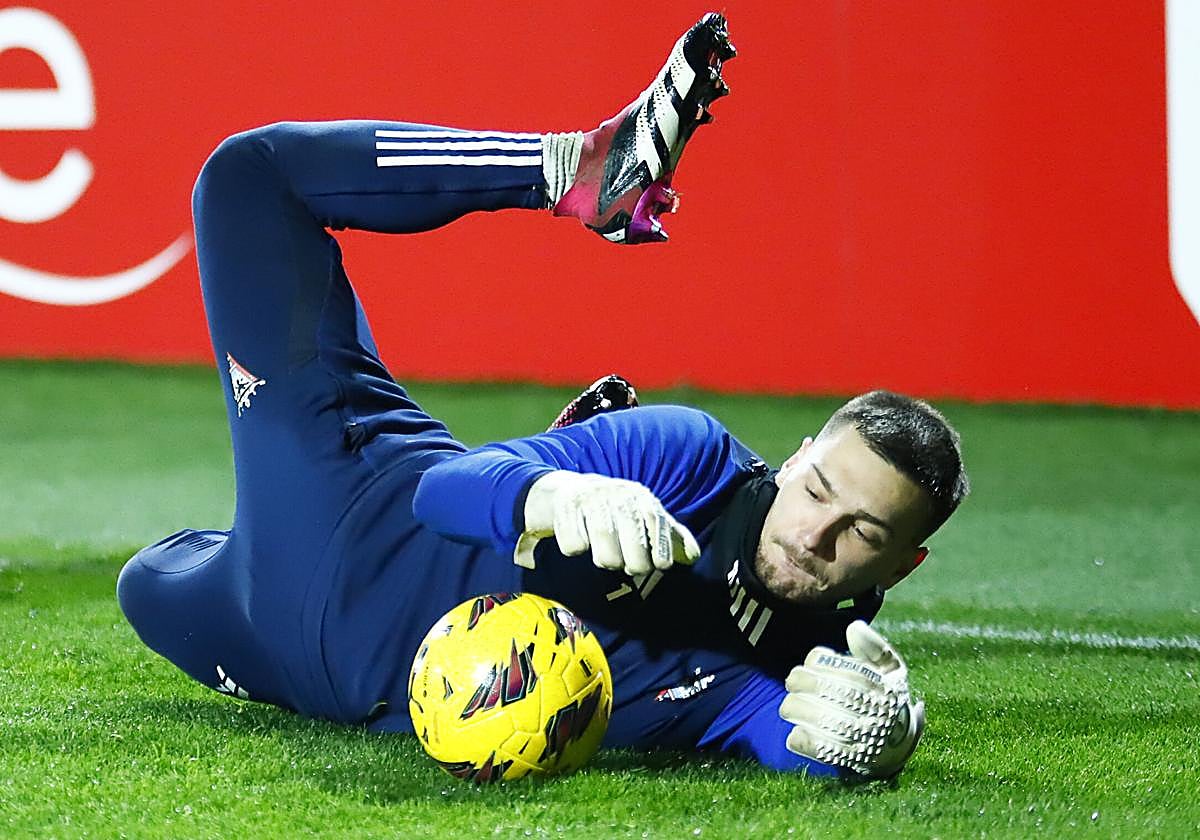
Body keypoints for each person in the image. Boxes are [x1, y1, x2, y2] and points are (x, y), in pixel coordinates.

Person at [116, 13, 968, 781]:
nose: (815, 533)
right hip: (349, 506)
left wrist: (875, 749)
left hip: (284, 653)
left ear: (903, 566)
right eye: (817, 490)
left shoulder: (806, 666)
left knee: (145, 581)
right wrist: (552, 491)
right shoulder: (692, 457)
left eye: (862, 533)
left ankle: (537, 490)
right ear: (796, 459)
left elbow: (796, 741)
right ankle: (572, 168)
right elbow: (441, 491)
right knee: (248, 179)